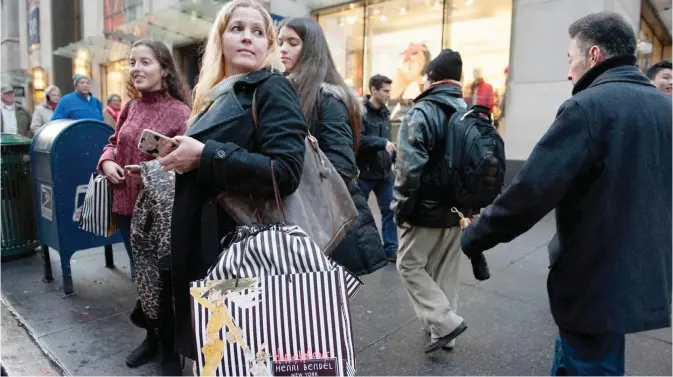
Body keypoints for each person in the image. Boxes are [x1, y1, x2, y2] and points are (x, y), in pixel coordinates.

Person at [460, 12, 671, 376]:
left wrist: (475, 236)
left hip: (594, 276)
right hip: (641, 271)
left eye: (570, 58)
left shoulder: (588, 107)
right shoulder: (664, 108)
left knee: (589, 364)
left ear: (593, 55)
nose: (568, 71)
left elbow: (531, 191)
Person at [156, 0, 307, 362]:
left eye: (258, 32)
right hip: (208, 243)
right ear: (220, 38)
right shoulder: (215, 94)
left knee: (239, 352)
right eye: (237, 28)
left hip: (241, 249)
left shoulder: (271, 87)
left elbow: (285, 171)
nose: (247, 38)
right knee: (218, 351)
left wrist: (205, 155)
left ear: (268, 46)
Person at [97, 39, 191, 375]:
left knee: (163, 281)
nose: (136, 68)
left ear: (164, 69)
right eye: (132, 62)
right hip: (125, 208)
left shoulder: (181, 113)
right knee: (142, 279)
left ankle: (169, 351)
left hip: (159, 213)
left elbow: (185, 165)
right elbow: (112, 143)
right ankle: (153, 340)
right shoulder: (131, 107)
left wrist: (154, 164)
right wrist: (107, 163)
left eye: (145, 62)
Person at [278, 17, 387, 275]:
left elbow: (341, 164)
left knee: (320, 303)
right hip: (301, 215)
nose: (282, 49)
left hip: (323, 218)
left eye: (292, 43)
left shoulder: (327, 97)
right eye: (281, 42)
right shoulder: (285, 90)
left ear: (312, 49)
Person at [391, 49, 470, 354]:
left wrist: (401, 208)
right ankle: (444, 331)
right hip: (458, 208)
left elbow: (409, 169)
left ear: (431, 78)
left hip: (426, 208)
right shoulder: (468, 110)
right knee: (445, 268)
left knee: (409, 265)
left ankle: (444, 321)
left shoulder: (422, 112)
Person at [357, 74, 398, 262]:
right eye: (385, 90)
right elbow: (358, 140)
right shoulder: (361, 112)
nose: (389, 94)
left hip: (384, 173)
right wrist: (382, 143)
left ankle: (391, 249)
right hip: (365, 173)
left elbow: (388, 143)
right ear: (373, 90)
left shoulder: (386, 112)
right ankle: (358, 249)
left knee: (389, 211)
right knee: (358, 214)